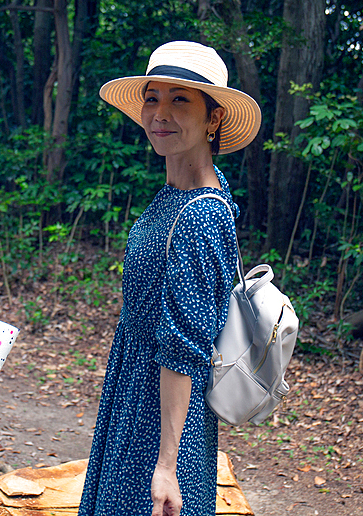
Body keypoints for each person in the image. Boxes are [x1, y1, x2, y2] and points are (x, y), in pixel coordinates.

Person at [79, 41, 262, 516]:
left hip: (158, 419)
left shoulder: (201, 215)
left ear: (214, 118)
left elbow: (184, 347)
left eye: (180, 99)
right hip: (134, 393)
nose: (160, 112)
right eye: (153, 97)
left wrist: (167, 464)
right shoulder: (178, 193)